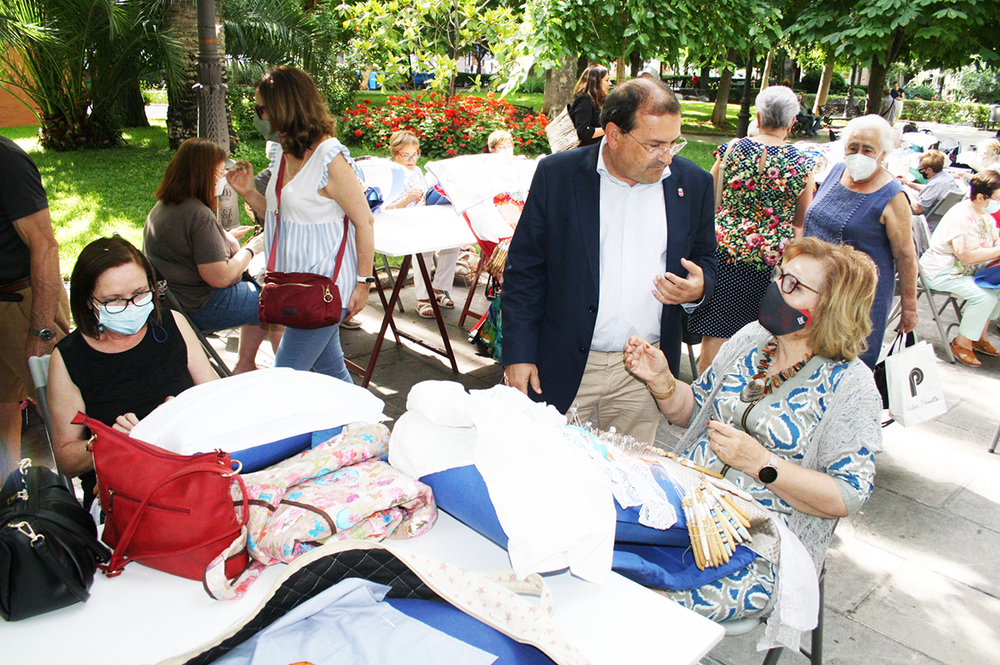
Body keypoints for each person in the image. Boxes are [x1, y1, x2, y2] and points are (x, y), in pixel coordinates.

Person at [624, 237, 881, 622]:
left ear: (831, 307)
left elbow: (847, 495)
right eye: (781, 276)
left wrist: (762, 464)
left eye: (794, 286)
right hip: (683, 506)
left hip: (756, 545)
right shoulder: (752, 339)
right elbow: (693, 412)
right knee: (599, 555)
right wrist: (663, 383)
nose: (777, 289)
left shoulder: (851, 385)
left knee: (645, 608)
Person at [502, 78, 717, 444]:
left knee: (628, 481)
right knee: (549, 471)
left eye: (673, 144)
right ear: (614, 135)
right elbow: (525, 271)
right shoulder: (558, 175)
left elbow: (705, 259)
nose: (666, 157)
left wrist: (698, 288)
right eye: (654, 145)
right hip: (565, 362)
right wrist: (518, 354)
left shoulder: (692, 184)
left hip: (642, 372)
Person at [228, 65, 375, 382]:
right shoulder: (285, 151)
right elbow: (282, 215)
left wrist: (364, 282)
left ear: (283, 107)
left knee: (285, 379)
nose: (259, 116)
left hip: (326, 287)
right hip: (295, 284)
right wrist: (249, 192)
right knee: (330, 373)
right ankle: (365, 428)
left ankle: (360, 427)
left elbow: (364, 221)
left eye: (262, 108)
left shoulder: (328, 157)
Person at [47, 237, 218, 503]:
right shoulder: (70, 357)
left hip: (193, 468)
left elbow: (215, 399)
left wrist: (180, 413)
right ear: (88, 302)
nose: (131, 306)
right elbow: (67, 460)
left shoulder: (172, 325)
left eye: (140, 294)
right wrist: (110, 442)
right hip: (123, 492)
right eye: (114, 300)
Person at [688, 86, 816, 374]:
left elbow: (711, 201)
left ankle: (705, 393)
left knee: (717, 330)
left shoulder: (732, 150)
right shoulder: (802, 164)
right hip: (772, 264)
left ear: (758, 117)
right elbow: (800, 222)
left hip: (726, 253)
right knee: (766, 334)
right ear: (792, 122)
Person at [143, 137, 274, 374]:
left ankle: (246, 364)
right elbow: (221, 277)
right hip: (197, 305)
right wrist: (253, 247)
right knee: (276, 300)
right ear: (204, 175)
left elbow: (194, 248)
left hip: (171, 301)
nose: (222, 179)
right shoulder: (197, 213)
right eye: (219, 173)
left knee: (262, 288)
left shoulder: (162, 207)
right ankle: (260, 367)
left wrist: (225, 238)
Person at [804, 114, 918, 369]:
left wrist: (909, 307)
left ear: (883, 153)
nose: (859, 155)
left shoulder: (893, 195)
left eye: (868, 150)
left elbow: (906, 255)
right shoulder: (835, 173)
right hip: (813, 290)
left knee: (842, 368)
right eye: (853, 148)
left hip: (856, 301)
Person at [0, 136, 72, 474]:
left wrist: (42, 330)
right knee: (3, 404)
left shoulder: (6, 159)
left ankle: (97, 496)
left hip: (23, 300)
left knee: (67, 408)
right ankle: (10, 494)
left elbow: (45, 245)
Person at [919, 171, 1000, 367]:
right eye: (997, 198)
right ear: (982, 197)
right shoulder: (962, 215)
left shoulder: (984, 214)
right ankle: (961, 343)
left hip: (965, 271)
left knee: (997, 289)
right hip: (941, 271)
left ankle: (978, 335)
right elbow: (967, 255)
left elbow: (994, 238)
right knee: (985, 296)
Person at [383, 130, 460, 319]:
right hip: (396, 224)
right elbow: (384, 210)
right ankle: (423, 299)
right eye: (406, 155)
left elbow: (423, 199)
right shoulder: (389, 174)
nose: (411, 159)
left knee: (454, 241)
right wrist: (406, 200)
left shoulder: (417, 171)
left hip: (419, 218)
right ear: (395, 153)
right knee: (424, 246)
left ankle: (439, 288)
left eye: (415, 154)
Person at [899, 149, 958, 215]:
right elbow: (928, 188)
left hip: (926, 221)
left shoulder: (935, 185)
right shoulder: (947, 177)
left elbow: (917, 209)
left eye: (921, 169)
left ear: (929, 170)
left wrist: (908, 190)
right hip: (941, 218)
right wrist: (909, 183)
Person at [570, 65, 611, 147]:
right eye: (606, 80)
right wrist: (609, 129)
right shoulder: (584, 101)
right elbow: (584, 132)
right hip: (585, 154)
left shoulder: (599, 101)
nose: (610, 83)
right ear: (596, 82)